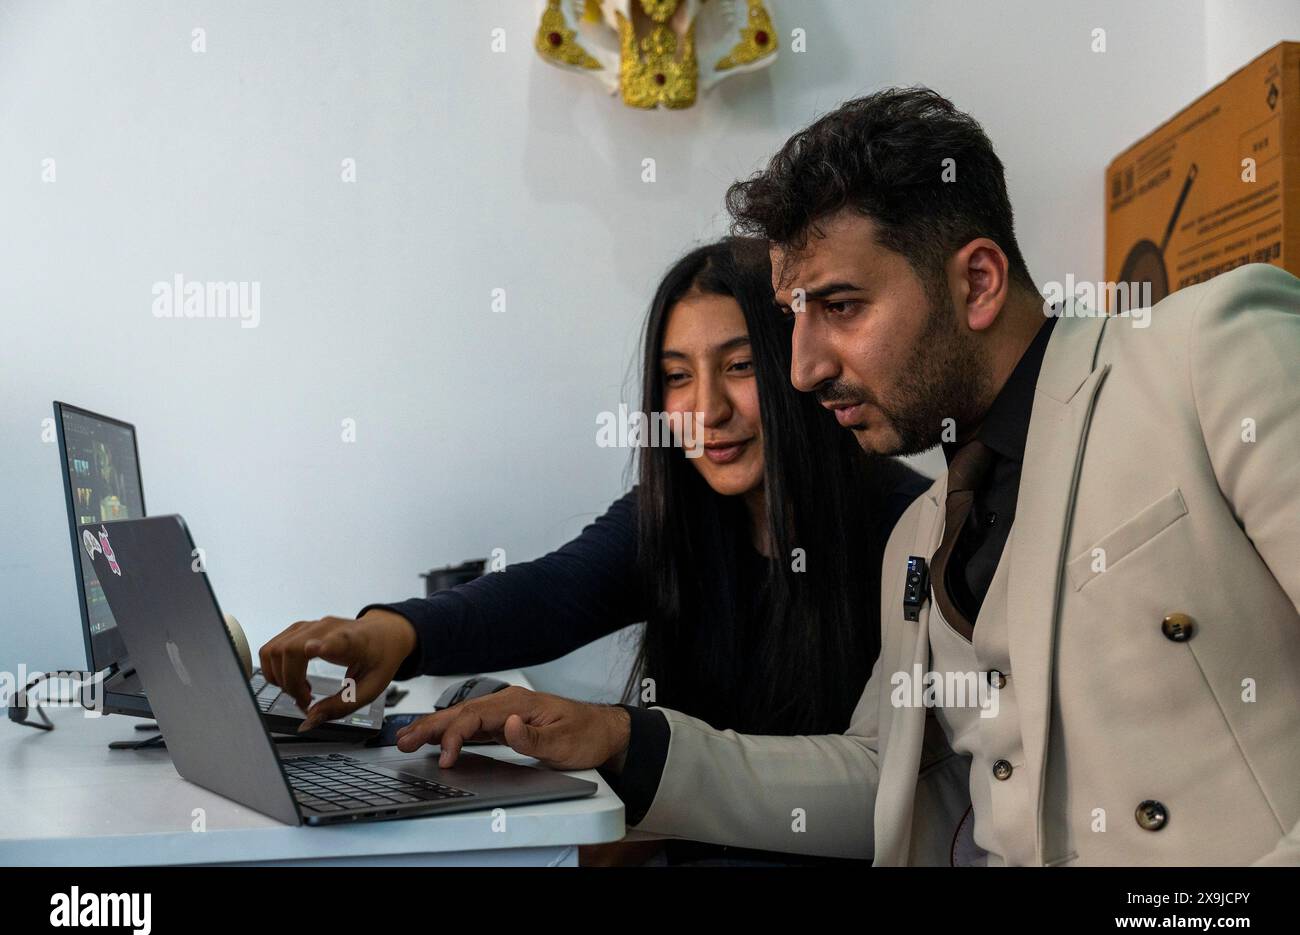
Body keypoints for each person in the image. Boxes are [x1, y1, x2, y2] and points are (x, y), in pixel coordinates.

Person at [396, 87, 1300, 866]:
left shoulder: (1204, 355)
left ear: (978, 283)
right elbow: (878, 775)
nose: (802, 369)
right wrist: (626, 743)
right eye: (794, 318)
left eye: (839, 307)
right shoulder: (920, 538)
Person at [258, 236, 928, 864]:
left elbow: (884, 794)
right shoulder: (677, 516)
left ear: (802, 361)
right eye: (676, 378)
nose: (706, 410)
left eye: (740, 367)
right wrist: (393, 632)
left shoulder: (914, 529)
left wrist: (620, 745)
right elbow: (549, 593)